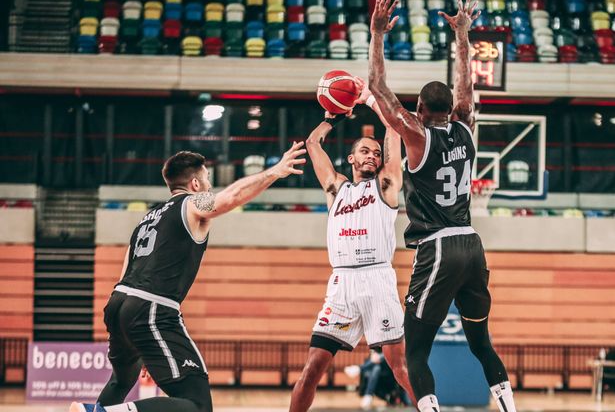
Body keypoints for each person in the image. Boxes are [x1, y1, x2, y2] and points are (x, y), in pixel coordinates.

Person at [69, 144, 306, 412]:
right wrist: (273, 172)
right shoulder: (192, 203)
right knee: (197, 404)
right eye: (207, 179)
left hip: (120, 302)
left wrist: (143, 342)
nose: (209, 185)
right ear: (194, 183)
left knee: (122, 380)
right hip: (152, 307)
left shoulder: (147, 219)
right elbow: (230, 198)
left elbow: (126, 270)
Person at [366, 0, 516, 412]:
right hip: (472, 243)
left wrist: (378, 35)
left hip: (438, 247)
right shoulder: (466, 124)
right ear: (451, 108)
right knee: (481, 344)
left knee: (415, 350)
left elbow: (378, 88)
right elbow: (466, 82)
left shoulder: (417, 136)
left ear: (418, 109)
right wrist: (463, 34)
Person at [288, 82, 415, 412]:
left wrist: (371, 99)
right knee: (312, 368)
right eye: (364, 151)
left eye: (376, 152)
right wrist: (334, 115)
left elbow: (393, 127)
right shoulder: (336, 189)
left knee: (401, 369)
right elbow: (313, 142)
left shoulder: (387, 185)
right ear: (351, 158)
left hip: (377, 280)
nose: (372, 155)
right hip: (342, 284)